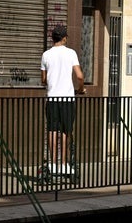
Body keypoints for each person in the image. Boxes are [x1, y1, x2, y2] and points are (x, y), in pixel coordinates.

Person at [41, 25, 86, 175]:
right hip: (67, 98)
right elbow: (79, 76)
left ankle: (53, 164)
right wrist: (80, 89)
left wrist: (52, 81)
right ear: (64, 38)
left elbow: (43, 80)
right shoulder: (71, 53)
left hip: (53, 98)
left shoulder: (46, 55)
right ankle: (64, 165)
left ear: (52, 38)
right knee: (66, 131)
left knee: (53, 130)